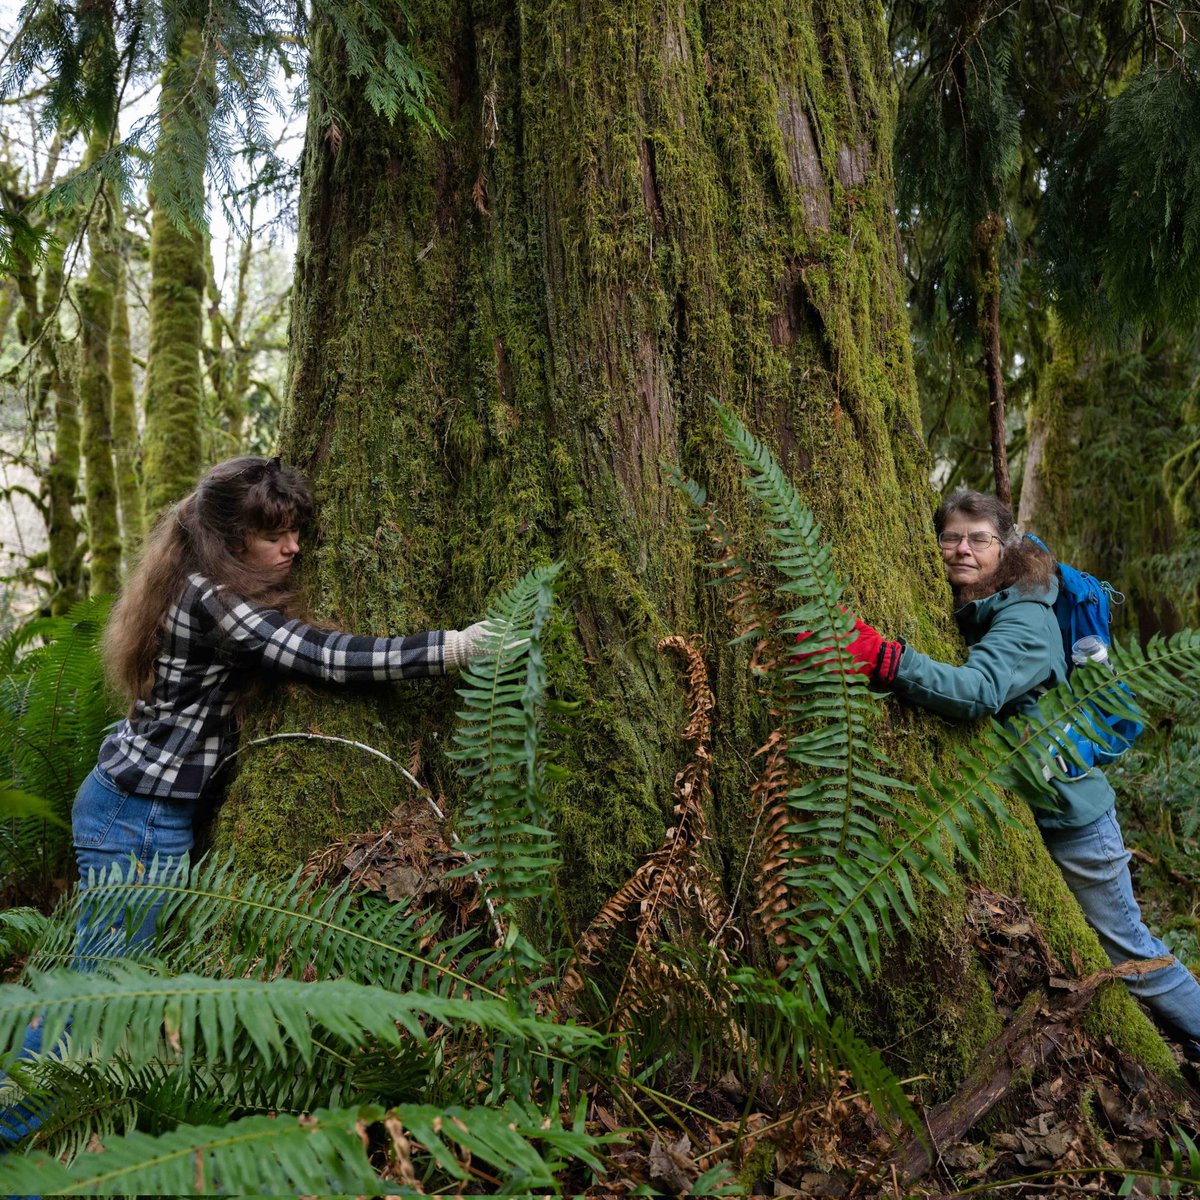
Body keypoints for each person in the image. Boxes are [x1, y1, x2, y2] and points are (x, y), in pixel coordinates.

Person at [1, 454, 496, 1139]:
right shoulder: (214, 601)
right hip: (137, 821)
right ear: (229, 543)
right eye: (275, 536)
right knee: (98, 1000)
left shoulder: (187, 579)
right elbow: (319, 654)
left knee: (103, 989)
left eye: (296, 529)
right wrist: (449, 649)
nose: (294, 547)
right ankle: (14, 1140)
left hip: (128, 805)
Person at [836, 487, 1200, 1064]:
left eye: (977, 539)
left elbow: (979, 691)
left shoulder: (1026, 617)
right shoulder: (993, 602)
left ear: (1004, 547)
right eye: (950, 537)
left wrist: (887, 658)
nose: (961, 549)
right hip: (1052, 806)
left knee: (1130, 951)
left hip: (1076, 821)